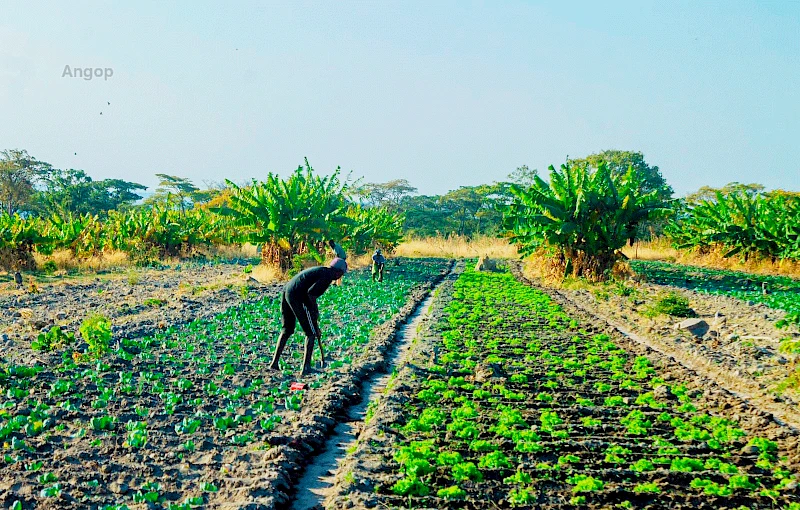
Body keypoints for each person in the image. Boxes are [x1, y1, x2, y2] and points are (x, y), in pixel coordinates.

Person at [269, 258, 347, 376]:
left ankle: (274, 363)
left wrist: (313, 313)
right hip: (297, 295)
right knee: (311, 333)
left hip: (287, 291)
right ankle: (306, 368)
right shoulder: (327, 277)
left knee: (287, 329)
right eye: (342, 274)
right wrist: (314, 312)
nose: (341, 277)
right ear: (338, 272)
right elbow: (311, 294)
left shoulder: (323, 271)